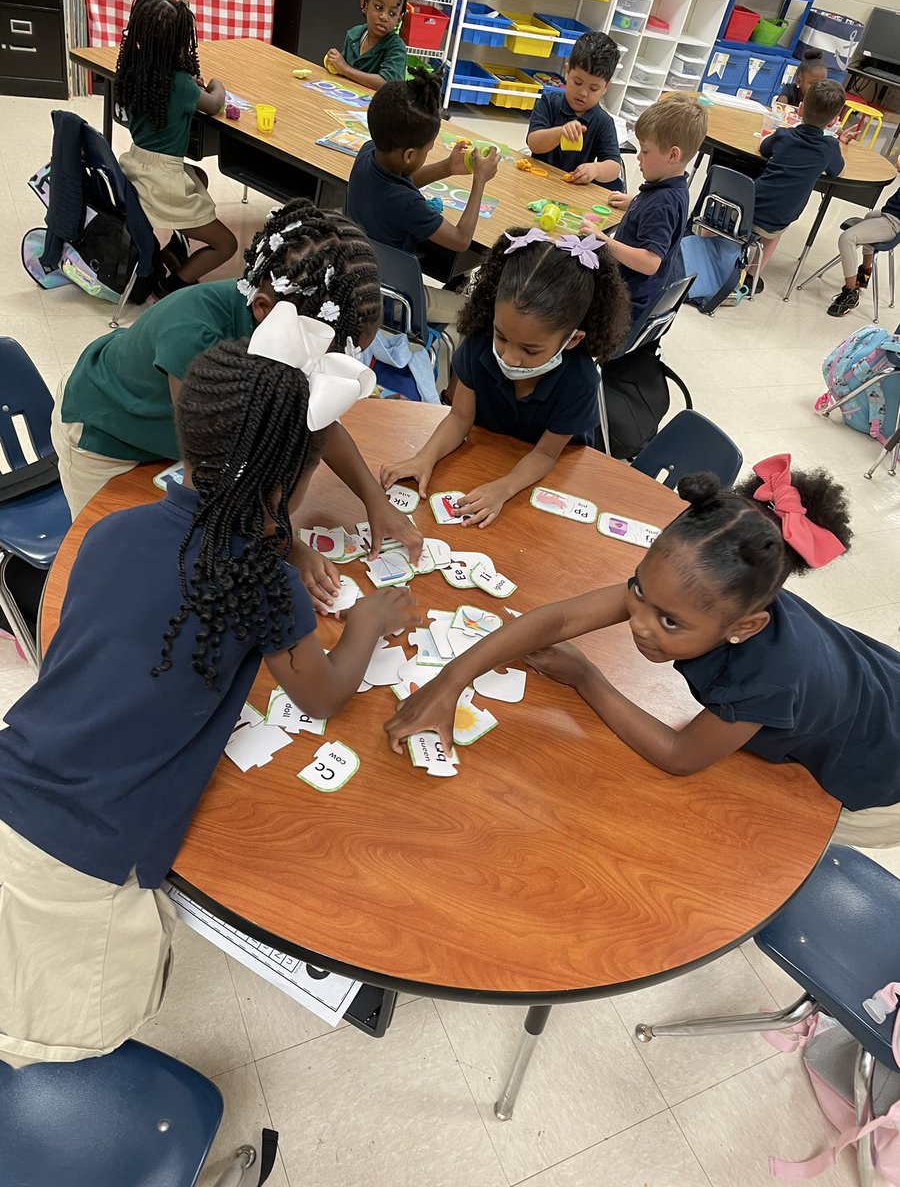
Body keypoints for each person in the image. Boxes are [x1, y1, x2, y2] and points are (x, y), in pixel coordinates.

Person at [0, 309, 422, 1069]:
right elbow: (321, 697)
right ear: (290, 487)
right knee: (56, 1026)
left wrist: (279, 543)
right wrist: (367, 618)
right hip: (86, 859)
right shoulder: (262, 586)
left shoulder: (109, 531)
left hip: (12, 779)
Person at [385, 455, 900, 849]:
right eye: (638, 593)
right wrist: (451, 680)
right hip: (862, 684)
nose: (640, 624)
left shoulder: (766, 681)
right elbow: (560, 619)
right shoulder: (697, 595)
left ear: (745, 626)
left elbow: (679, 757)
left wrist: (585, 676)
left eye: (669, 621)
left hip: (882, 763)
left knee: (787, 837)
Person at [50, 199, 422, 607]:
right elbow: (216, 476)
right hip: (106, 434)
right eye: (333, 355)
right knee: (115, 572)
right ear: (263, 309)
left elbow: (319, 419)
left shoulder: (287, 324)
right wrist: (288, 547)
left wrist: (374, 500)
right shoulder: (195, 337)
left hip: (176, 443)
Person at [379, 226, 631, 527]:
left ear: (573, 340)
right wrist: (424, 457)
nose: (510, 357)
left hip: (541, 482)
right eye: (501, 336)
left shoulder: (580, 383)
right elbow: (459, 419)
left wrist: (504, 488)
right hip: (482, 458)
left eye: (530, 349)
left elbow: (546, 455)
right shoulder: (478, 344)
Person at [346, 68, 500, 326]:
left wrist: (447, 167)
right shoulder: (409, 205)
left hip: (358, 276)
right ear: (409, 155)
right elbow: (461, 240)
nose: (428, 153)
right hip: (393, 297)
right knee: (478, 312)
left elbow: (400, 185)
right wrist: (480, 180)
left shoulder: (368, 152)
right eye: (427, 150)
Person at [114, 0, 237, 295]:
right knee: (227, 244)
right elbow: (215, 102)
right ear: (178, 44)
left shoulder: (133, 72)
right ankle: (174, 284)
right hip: (162, 182)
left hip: (137, 166)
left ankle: (176, 249)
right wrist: (214, 82)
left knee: (200, 178)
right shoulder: (180, 84)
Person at [591, 93, 707, 348]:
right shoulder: (672, 188)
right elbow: (661, 215)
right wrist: (635, 201)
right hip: (631, 301)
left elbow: (649, 262)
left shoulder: (662, 203)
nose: (639, 158)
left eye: (645, 150)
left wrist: (603, 241)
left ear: (673, 155)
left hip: (622, 313)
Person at [747, 78, 846, 291]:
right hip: (782, 215)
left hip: (750, 203)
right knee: (773, 237)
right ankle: (752, 277)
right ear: (833, 122)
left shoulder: (784, 135)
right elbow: (837, 171)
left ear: (800, 109)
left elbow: (764, 149)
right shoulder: (829, 146)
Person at [526, 31, 624, 190]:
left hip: (574, 190)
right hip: (537, 180)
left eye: (593, 88)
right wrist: (560, 133)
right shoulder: (549, 102)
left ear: (606, 88)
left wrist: (596, 169)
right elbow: (534, 143)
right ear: (567, 71)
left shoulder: (603, 122)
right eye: (577, 82)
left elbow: (614, 167)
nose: (583, 93)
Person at [827, 182, 900, 316]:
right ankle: (865, 272)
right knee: (870, 216)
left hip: (893, 222)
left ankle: (850, 293)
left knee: (847, 238)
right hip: (889, 212)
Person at [325, 0, 408, 91]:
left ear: (399, 19)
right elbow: (342, 73)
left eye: (392, 14)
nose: (384, 17)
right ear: (364, 4)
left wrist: (345, 69)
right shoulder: (353, 35)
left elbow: (388, 84)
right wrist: (334, 64)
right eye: (378, 7)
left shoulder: (396, 47)